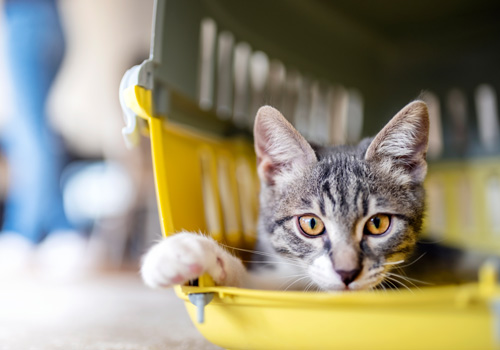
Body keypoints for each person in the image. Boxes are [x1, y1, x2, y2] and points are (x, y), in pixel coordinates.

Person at [0, 0, 86, 278]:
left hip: (27, 19)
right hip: (47, 20)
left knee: (29, 133)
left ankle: (24, 232)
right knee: (34, 130)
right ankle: (61, 229)